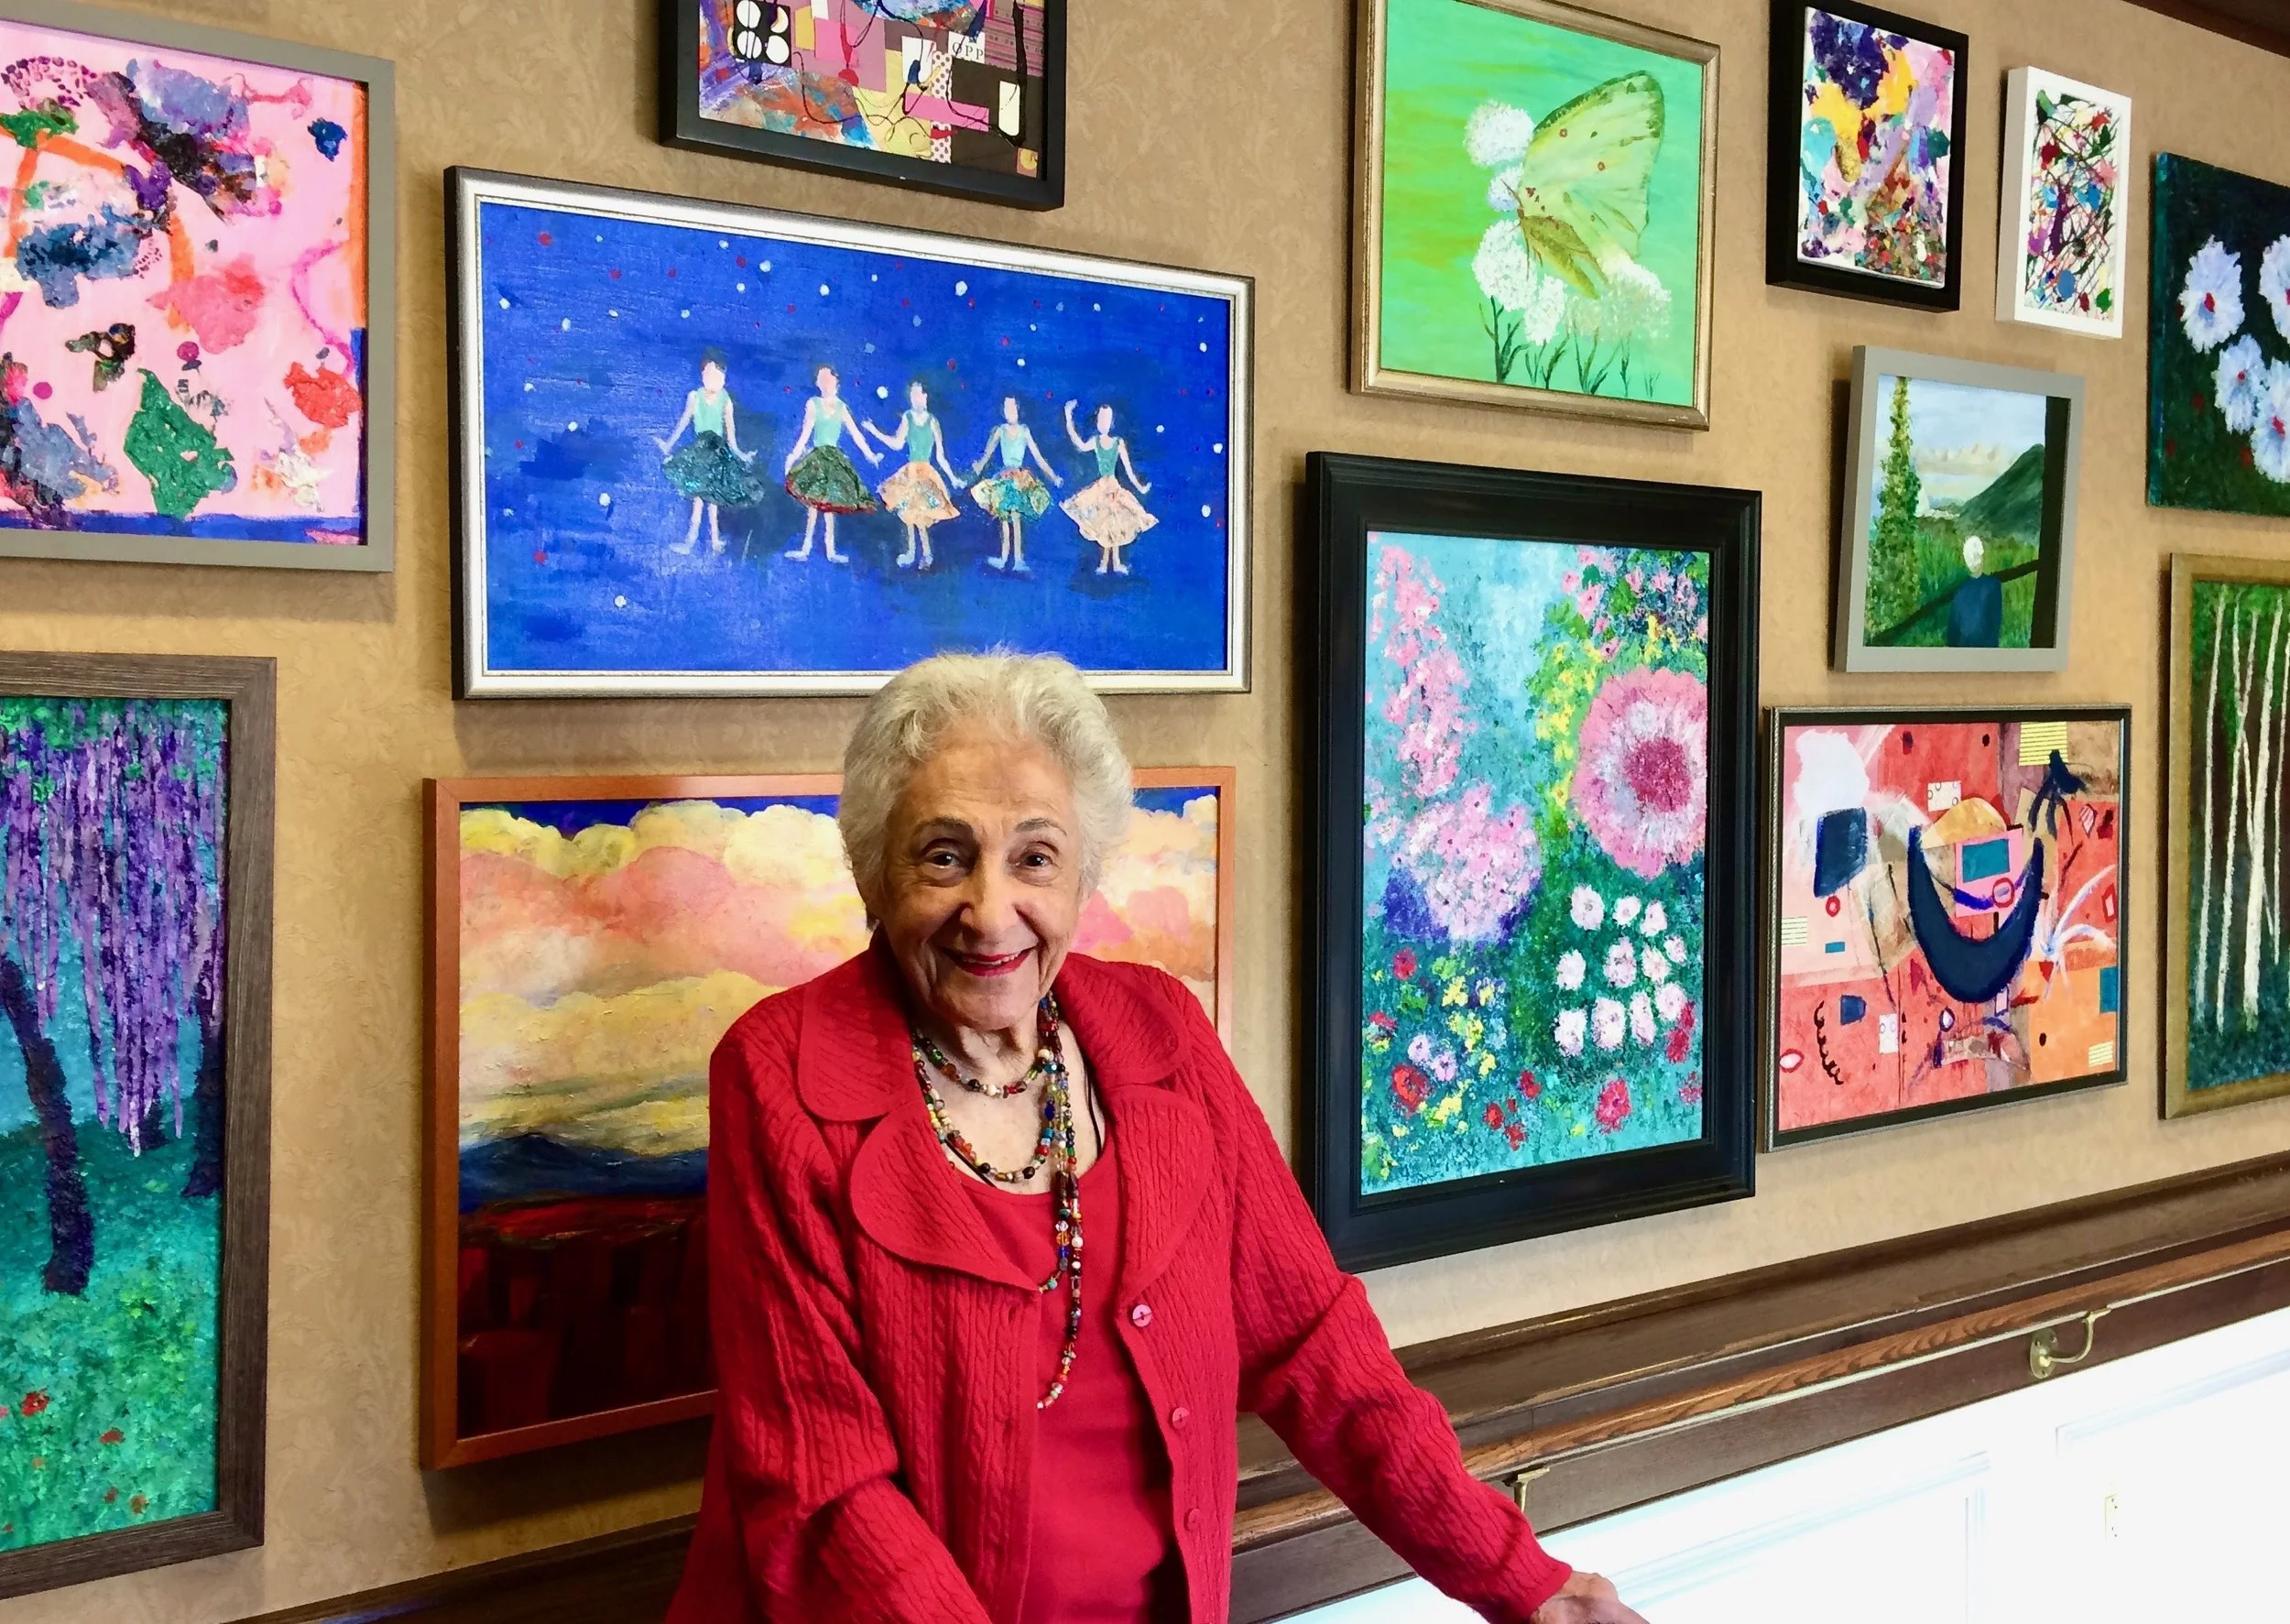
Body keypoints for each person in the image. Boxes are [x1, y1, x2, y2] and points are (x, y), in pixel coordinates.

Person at [667, 651, 1651, 1624]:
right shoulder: (779, 1077)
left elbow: (1315, 1346)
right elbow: (823, 1488)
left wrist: (1523, 1581)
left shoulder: (1159, 1034)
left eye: (1035, 857)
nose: (991, 911)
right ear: (874, 873)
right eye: (944, 856)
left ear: (1082, 875)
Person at [655, 349, 773, 556]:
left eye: (718, 375)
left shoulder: (725, 400)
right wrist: (668, 444)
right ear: (702, 375)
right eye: (708, 374)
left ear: (724, 378)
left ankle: (715, 540)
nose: (713, 379)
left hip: (718, 452)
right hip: (700, 451)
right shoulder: (695, 396)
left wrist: (741, 454)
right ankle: (691, 540)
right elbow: (684, 421)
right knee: (699, 497)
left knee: (714, 497)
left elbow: (731, 434)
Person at [782, 365, 881, 563]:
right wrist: (793, 455)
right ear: (817, 383)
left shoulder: (841, 407)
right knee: (813, 503)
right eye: (821, 379)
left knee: (830, 504)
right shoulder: (813, 404)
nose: (825, 383)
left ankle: (830, 550)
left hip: (834, 460)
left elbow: (855, 433)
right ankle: (805, 548)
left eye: (828, 379)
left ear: (837, 382)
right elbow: (805, 433)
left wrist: (870, 454)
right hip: (818, 459)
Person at [1061, 399, 1157, 575]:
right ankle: (1105, 564)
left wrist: (1140, 487)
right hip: (1101, 488)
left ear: (1111, 422)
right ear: (1097, 421)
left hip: (1113, 487)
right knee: (1105, 524)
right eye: (1101, 419)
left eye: (1107, 419)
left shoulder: (1118, 443)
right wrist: (1069, 418)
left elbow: (1128, 470)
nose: (1104, 423)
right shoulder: (1095, 441)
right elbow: (1080, 445)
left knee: (1114, 524)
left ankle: (1115, 563)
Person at [969, 395, 1063, 573]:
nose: (1009, 412)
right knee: (1004, 517)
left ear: (1018, 410)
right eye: (1007, 408)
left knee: (1016, 517)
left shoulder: (1024, 431)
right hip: (1004, 477)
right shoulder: (1000, 430)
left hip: (1020, 479)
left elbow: (1038, 457)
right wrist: (977, 468)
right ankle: (1004, 558)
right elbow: (987, 454)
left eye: (1012, 408)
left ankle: (1018, 559)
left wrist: (1053, 476)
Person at [1945, 533, 2003, 648]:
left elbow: (1995, 624)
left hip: (1985, 650)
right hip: (1962, 650)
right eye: (1969, 557)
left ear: (1981, 556)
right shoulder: (1960, 590)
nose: (1973, 561)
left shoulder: (1992, 586)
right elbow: (1953, 629)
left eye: (1975, 556)